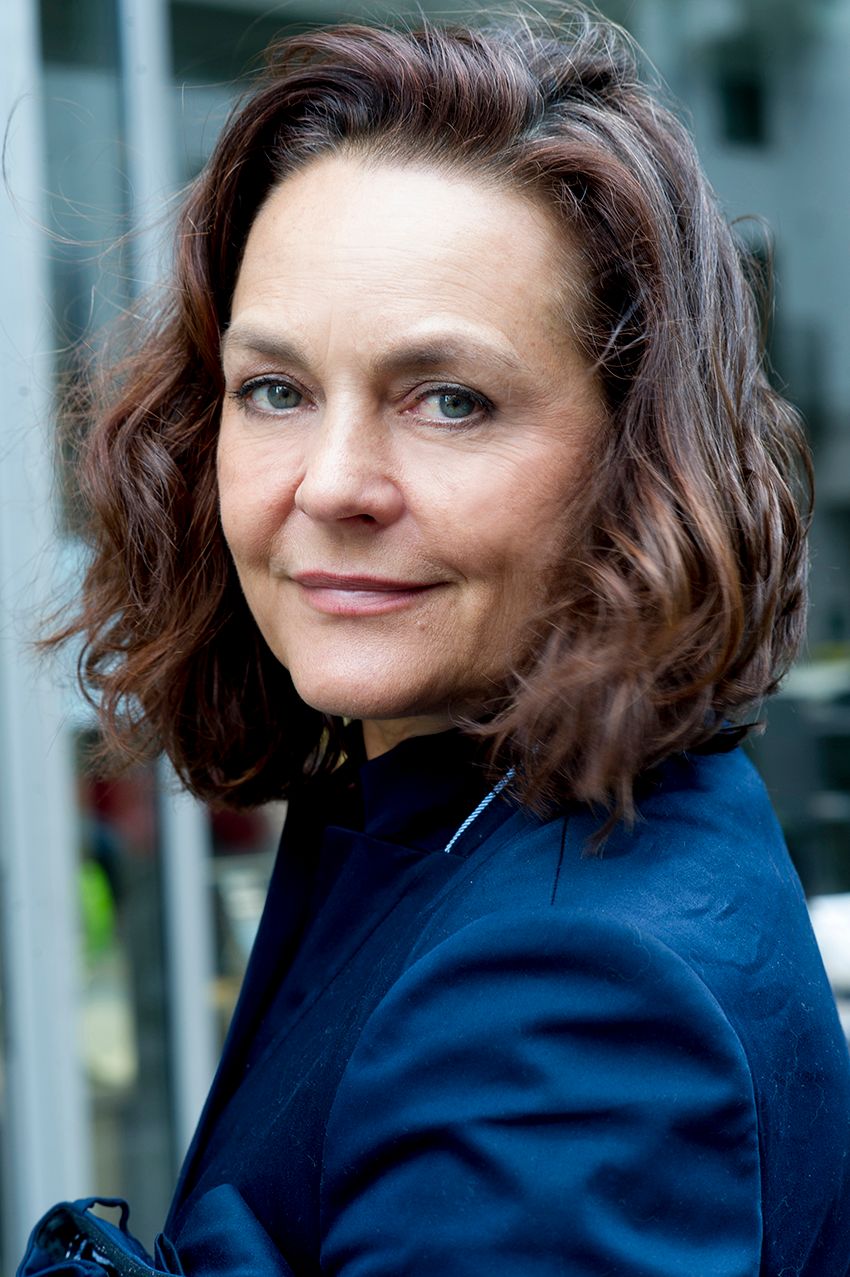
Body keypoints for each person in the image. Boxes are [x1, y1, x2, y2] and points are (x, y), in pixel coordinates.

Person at [31, 8, 850, 1275]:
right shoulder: (435, 800)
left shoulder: (568, 1010)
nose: (332, 483)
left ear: (636, 458)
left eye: (449, 400)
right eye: (275, 390)